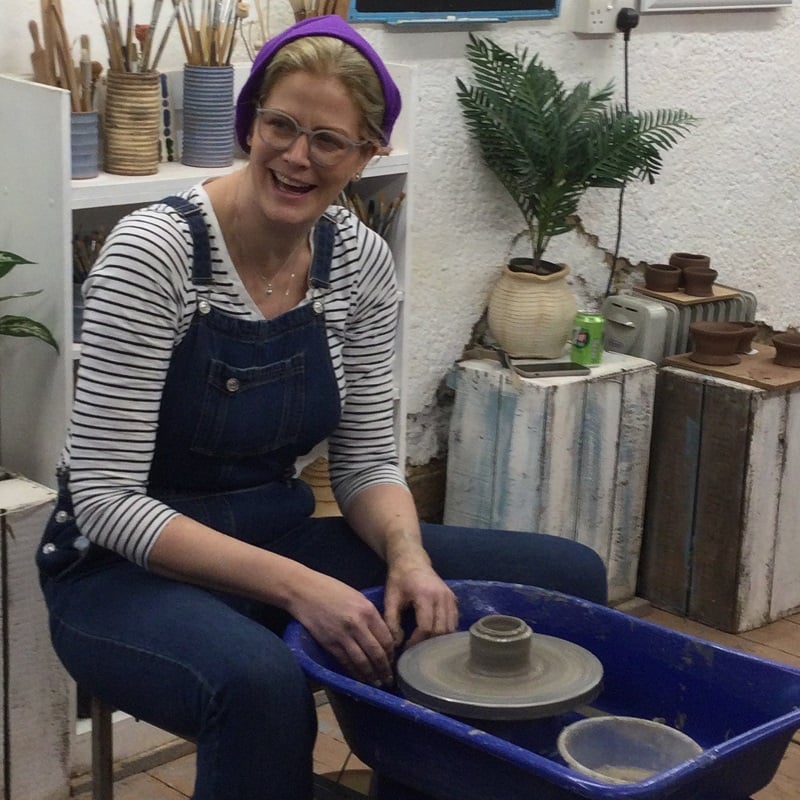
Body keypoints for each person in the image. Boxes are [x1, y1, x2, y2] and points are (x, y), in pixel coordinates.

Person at [36, 15, 607, 800]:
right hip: (120, 574)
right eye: (280, 125)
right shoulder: (154, 255)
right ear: (251, 123)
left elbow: (368, 461)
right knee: (259, 686)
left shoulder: (359, 261)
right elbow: (104, 502)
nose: (296, 156)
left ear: (368, 153)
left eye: (329, 140)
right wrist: (302, 587)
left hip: (276, 534)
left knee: (564, 579)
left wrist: (408, 560)